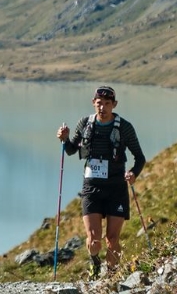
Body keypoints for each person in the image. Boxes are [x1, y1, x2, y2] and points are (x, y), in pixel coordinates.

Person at [56, 85, 146, 278]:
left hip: (116, 188)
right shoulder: (85, 123)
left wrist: (133, 173)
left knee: (112, 240)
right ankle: (95, 264)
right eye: (99, 104)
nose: (102, 108)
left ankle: (112, 277)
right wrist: (64, 140)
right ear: (93, 103)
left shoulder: (124, 127)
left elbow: (140, 158)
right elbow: (71, 150)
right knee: (94, 239)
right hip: (92, 188)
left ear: (114, 104)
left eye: (107, 104)